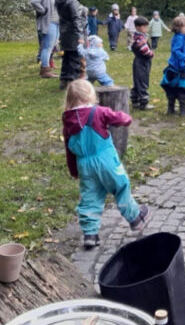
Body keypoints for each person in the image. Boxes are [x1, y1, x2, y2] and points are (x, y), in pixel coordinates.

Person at [62, 80, 151, 249]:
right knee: (120, 187)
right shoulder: (99, 112)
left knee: (90, 196)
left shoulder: (68, 120)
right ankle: (135, 218)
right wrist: (126, 118)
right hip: (106, 160)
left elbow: (68, 148)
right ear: (91, 96)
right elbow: (120, 118)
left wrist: (74, 170)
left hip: (84, 164)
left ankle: (90, 234)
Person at [56, 0, 88, 90]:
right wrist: (80, 36)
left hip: (65, 33)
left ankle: (64, 81)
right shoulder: (72, 1)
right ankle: (73, 84)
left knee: (67, 58)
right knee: (75, 59)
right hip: (73, 34)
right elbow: (76, 19)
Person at [160, 14, 185, 116]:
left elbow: (182, 50)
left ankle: (171, 109)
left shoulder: (182, 37)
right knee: (182, 88)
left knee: (173, 87)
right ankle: (183, 111)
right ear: (179, 27)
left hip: (177, 66)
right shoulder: (179, 38)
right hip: (178, 67)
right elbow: (175, 50)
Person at [30, 0, 60, 79]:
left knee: (51, 47)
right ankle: (45, 70)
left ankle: (47, 69)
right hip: (49, 22)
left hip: (57, 23)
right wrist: (43, 10)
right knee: (47, 47)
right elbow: (34, 1)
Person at [130, 16, 154, 110]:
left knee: (138, 81)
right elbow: (143, 49)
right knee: (142, 81)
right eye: (145, 27)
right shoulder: (140, 37)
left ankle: (135, 100)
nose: (147, 29)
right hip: (142, 62)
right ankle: (143, 102)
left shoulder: (139, 36)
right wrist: (150, 53)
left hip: (140, 61)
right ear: (139, 27)